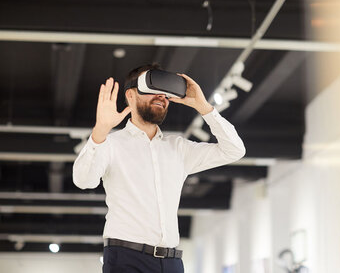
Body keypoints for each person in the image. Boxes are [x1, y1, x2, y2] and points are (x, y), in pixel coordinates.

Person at [72, 64, 246, 273]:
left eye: (166, 94)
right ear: (131, 95)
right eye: (152, 90)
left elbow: (234, 150)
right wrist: (100, 131)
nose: (161, 97)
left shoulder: (179, 148)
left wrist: (204, 107)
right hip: (126, 259)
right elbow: (83, 180)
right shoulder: (110, 144)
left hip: (171, 261)